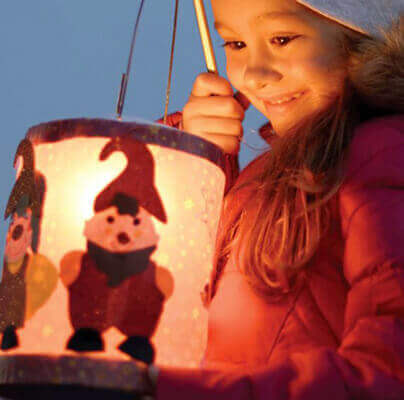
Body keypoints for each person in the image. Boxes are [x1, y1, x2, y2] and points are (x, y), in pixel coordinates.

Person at [148, 0, 404, 398]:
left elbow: (387, 372)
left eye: (281, 39)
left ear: (362, 36)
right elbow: (165, 287)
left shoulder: (383, 155)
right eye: (234, 44)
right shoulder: (259, 178)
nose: (254, 73)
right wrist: (198, 159)